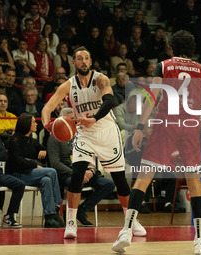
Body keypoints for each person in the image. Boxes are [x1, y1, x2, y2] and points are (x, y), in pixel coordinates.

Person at [112, 30, 201, 254]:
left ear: (172, 47)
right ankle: (199, 240)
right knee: (195, 181)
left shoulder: (164, 66)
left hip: (166, 125)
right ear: (192, 48)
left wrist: (140, 127)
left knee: (144, 177)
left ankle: (126, 231)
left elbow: (153, 95)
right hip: (190, 127)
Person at [41, 46, 146, 239]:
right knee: (77, 176)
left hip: (106, 130)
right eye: (79, 58)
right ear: (73, 62)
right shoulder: (68, 85)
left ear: (90, 62)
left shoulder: (101, 79)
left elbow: (110, 100)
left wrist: (94, 118)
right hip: (84, 133)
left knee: (120, 181)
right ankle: (71, 223)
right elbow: (48, 107)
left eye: (86, 58)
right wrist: (47, 124)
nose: (83, 61)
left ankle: (131, 220)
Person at [47, 108, 115, 226]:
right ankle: (71, 217)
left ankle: (82, 209)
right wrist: (77, 174)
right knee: (77, 183)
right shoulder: (54, 137)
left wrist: (92, 170)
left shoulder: (82, 132)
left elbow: (91, 155)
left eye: (74, 118)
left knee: (108, 184)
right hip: (67, 173)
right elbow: (55, 163)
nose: (75, 121)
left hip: (85, 171)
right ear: (62, 120)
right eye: (71, 119)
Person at [8, 112, 64, 228]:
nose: (36, 124)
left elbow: (41, 148)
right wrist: (34, 165)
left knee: (47, 180)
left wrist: (44, 150)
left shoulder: (31, 140)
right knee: (51, 172)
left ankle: (49, 217)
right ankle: (57, 205)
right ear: (26, 124)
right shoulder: (14, 141)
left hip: (29, 173)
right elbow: (18, 162)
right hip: (17, 174)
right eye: (34, 122)